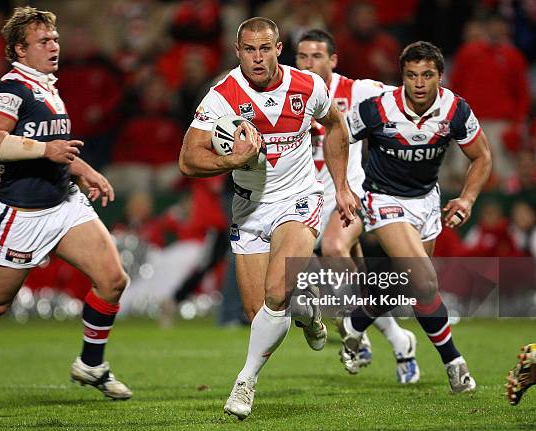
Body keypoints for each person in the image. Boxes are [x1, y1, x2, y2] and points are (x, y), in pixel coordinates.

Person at [0, 7, 131, 413]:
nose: (53, 46)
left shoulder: (48, 87)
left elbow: (56, 148)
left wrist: (84, 169)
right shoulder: (11, 89)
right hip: (20, 213)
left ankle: (90, 364)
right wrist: (45, 150)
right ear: (20, 50)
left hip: (63, 203)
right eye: (43, 41)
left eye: (54, 39)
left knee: (113, 279)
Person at [179, 17, 357, 420]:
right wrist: (233, 160)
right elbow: (188, 159)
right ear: (237, 52)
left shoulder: (308, 85)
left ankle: (245, 382)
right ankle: (307, 309)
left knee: (277, 290)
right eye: (249, 50)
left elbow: (335, 126)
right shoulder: (222, 95)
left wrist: (341, 187)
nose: (257, 58)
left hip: (298, 198)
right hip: (249, 207)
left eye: (265, 49)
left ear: (279, 49)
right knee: (259, 311)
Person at [337, 41, 492, 393]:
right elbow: (338, 136)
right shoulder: (376, 109)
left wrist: (467, 199)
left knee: (410, 285)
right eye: (411, 75)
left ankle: (354, 323)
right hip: (382, 199)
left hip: (426, 201)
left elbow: (482, 157)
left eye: (427, 75)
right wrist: (342, 185)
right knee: (424, 280)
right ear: (401, 77)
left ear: (440, 75)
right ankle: (455, 364)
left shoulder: (455, 110)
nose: (419, 83)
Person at [295, 28, 419, 384]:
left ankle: (356, 332)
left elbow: (404, 98)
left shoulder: (357, 91)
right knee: (342, 280)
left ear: (333, 60)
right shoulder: (289, 94)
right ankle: (398, 339)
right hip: (308, 200)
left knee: (334, 248)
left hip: (353, 194)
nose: (308, 63)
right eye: (302, 56)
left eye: (316, 56)